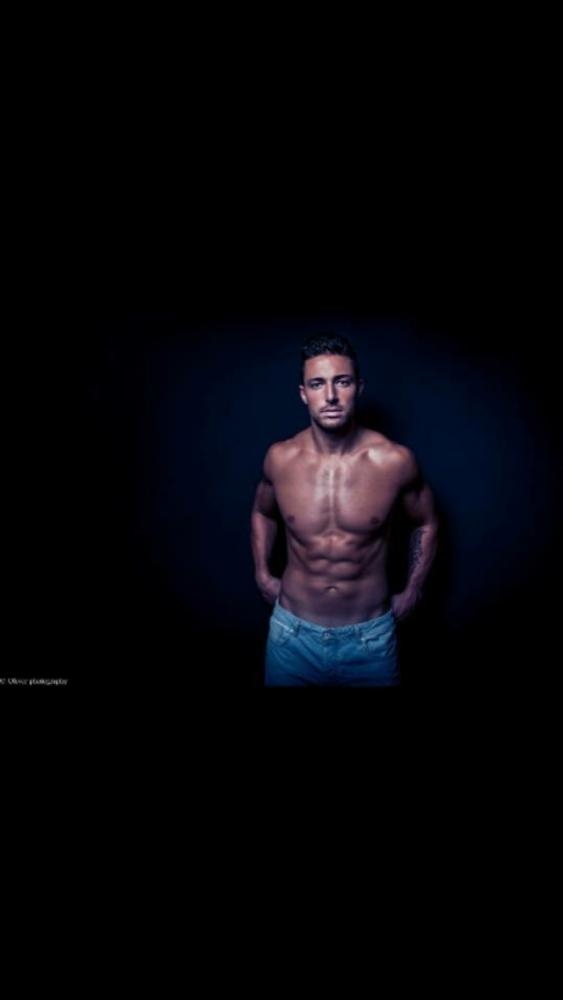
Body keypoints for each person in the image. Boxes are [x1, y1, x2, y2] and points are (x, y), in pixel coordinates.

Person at [250, 333, 439, 687]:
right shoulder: (280, 458)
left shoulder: (393, 461)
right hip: (292, 637)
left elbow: (426, 522)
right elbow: (262, 512)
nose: (331, 396)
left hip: (369, 641)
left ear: (358, 387)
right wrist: (262, 573)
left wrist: (414, 588)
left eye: (342, 381)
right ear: (303, 393)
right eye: (317, 384)